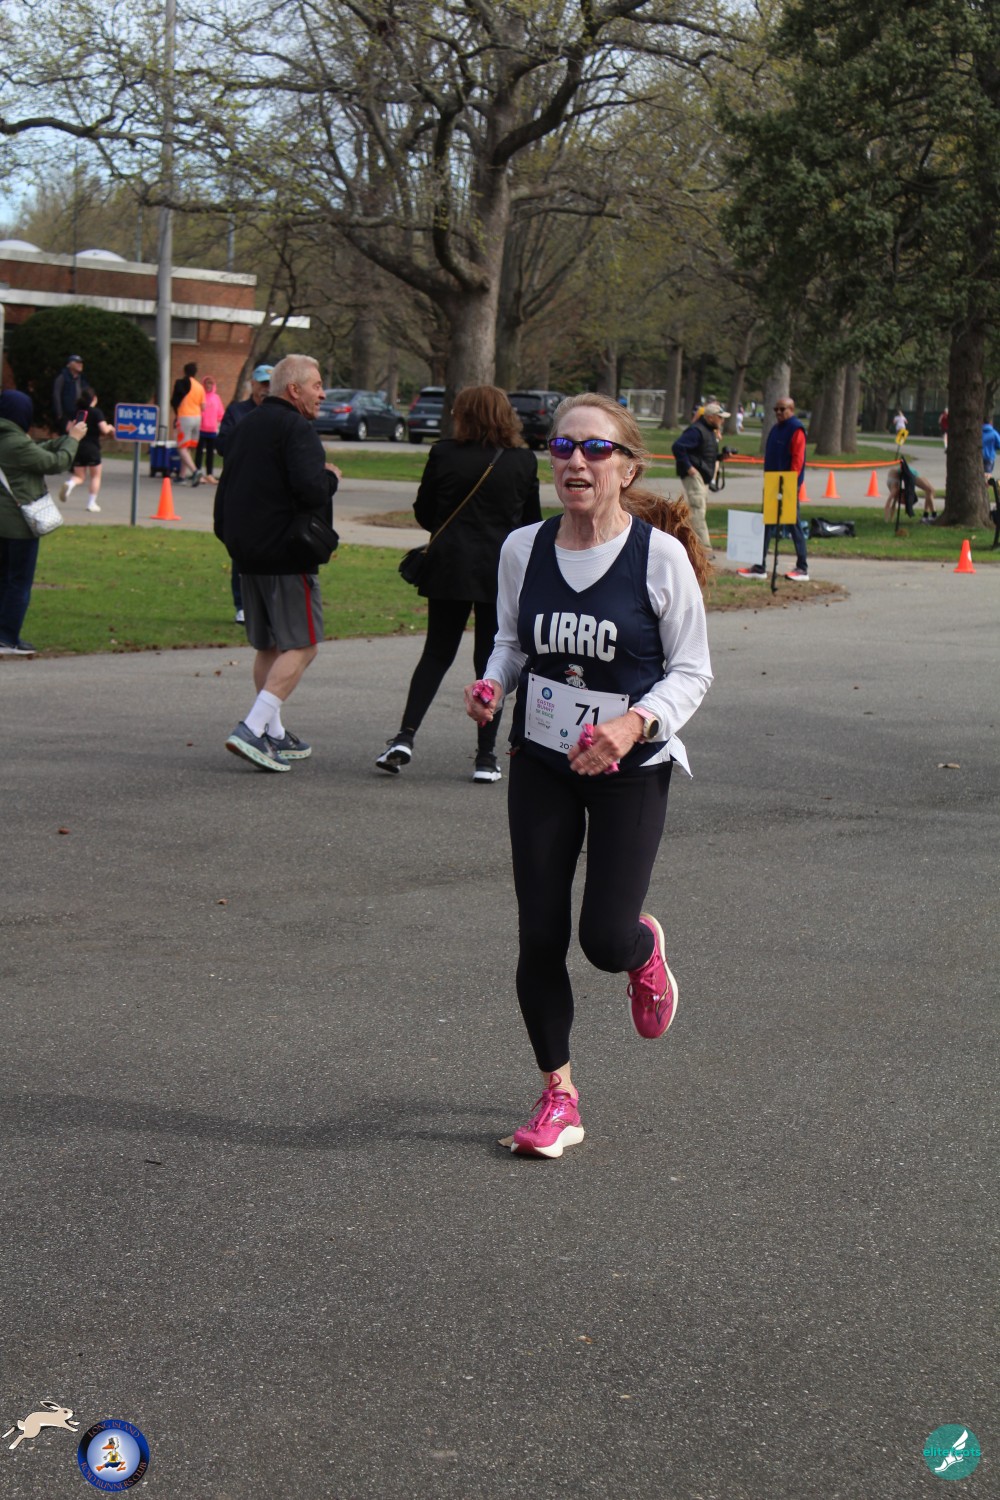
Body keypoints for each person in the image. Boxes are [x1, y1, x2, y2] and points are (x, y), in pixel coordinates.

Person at [464, 393, 713, 1157]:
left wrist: (632, 724)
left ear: (627, 467)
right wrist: (493, 684)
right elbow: (512, 642)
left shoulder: (659, 559)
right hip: (542, 762)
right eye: (563, 446)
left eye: (596, 449)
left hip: (630, 769)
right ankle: (559, 1095)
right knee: (539, 934)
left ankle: (641, 950)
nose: (576, 460)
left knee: (601, 939)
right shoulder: (523, 548)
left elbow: (693, 672)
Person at [375, 385, 541, 783]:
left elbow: (424, 511)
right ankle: (486, 755)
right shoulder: (521, 461)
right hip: (497, 569)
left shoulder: (444, 454)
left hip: (449, 566)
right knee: (491, 658)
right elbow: (531, 522)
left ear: (464, 415)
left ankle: (405, 736)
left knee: (436, 653)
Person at [213, 354, 341, 771]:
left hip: (247, 554)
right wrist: (330, 476)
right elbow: (310, 490)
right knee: (302, 644)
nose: (322, 394)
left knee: (269, 644)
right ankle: (252, 727)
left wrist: (231, 538)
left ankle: (272, 731)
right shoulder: (296, 428)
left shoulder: (245, 425)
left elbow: (227, 489)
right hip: (287, 555)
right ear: (294, 389)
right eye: (317, 385)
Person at [0, 390, 85, 654]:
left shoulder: (9, 439)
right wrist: (73, 440)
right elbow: (55, 463)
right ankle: (7, 638)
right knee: (18, 582)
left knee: (3, 579)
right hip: (18, 525)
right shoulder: (16, 442)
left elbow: (34, 453)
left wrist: (64, 438)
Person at [217, 363, 274, 623]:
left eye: (270, 384)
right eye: (262, 384)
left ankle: (266, 604)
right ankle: (242, 605)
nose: (266, 389)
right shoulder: (238, 412)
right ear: (252, 384)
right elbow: (221, 444)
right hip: (241, 490)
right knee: (241, 551)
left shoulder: (280, 414)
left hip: (269, 494)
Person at [736, 396, 809, 581]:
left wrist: (791, 483)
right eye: (776, 409)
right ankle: (759, 566)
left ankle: (802, 567)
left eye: (782, 409)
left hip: (788, 482)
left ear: (791, 410)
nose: (778, 412)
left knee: (793, 524)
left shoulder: (796, 429)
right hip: (772, 481)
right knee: (766, 524)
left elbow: (798, 459)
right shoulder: (776, 429)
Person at [671, 400, 727, 551]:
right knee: (698, 510)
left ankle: (688, 544)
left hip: (703, 476)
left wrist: (722, 456)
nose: (722, 421)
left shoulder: (710, 432)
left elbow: (706, 454)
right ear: (710, 417)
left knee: (697, 510)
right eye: (720, 417)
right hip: (695, 476)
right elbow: (678, 447)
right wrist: (689, 468)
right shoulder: (696, 431)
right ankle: (704, 549)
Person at [58, 386, 113, 511]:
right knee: (95, 476)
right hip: (92, 448)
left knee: (79, 476)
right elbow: (104, 429)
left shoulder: (76, 412)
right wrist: (110, 427)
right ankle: (91, 503)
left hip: (77, 447)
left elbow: (68, 429)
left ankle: (70, 484)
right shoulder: (96, 412)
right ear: (94, 399)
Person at [171, 361, 206, 486]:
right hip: (197, 417)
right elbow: (203, 407)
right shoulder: (200, 387)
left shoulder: (182, 383)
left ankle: (195, 471)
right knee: (188, 447)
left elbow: (174, 401)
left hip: (185, 416)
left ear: (184, 371)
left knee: (181, 447)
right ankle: (182, 475)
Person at [885, 458, 936, 522]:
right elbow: (892, 505)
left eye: (903, 501)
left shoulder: (895, 491)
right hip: (907, 472)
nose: (903, 503)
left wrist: (886, 520)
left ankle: (929, 515)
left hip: (906, 472)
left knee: (930, 490)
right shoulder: (896, 491)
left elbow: (888, 505)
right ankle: (930, 515)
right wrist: (890, 520)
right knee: (931, 490)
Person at [196, 376, 225, 483]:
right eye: (207, 383)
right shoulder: (200, 396)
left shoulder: (216, 398)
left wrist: (218, 423)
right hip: (201, 428)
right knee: (199, 452)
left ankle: (210, 474)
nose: (209, 386)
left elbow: (220, 413)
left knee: (210, 453)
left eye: (211, 383)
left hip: (212, 429)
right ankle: (198, 473)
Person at [51, 354, 84, 432]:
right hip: (66, 415)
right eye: (77, 362)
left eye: (81, 362)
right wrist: (59, 414)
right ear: (69, 364)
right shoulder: (62, 377)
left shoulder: (81, 379)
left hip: (77, 414)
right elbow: (56, 395)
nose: (80, 364)